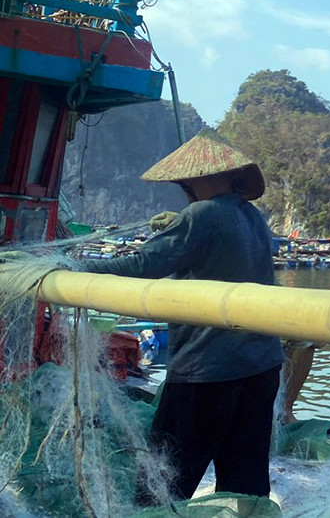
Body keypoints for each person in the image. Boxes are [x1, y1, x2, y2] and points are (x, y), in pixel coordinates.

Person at [78, 128, 284, 503]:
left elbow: (144, 263)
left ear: (193, 180)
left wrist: (76, 268)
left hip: (208, 372)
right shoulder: (253, 217)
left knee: (160, 487)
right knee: (245, 483)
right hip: (260, 366)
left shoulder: (200, 215)